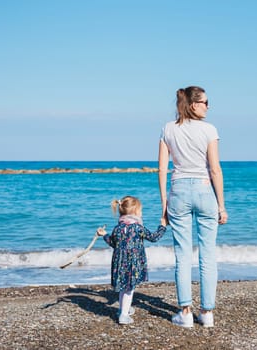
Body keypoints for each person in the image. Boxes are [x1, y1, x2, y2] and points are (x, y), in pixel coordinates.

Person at [158, 86, 228, 328]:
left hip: (178, 191)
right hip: (203, 190)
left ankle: (185, 312)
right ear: (193, 104)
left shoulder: (168, 128)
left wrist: (164, 204)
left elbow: (162, 170)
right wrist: (222, 206)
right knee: (208, 255)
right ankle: (206, 313)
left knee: (182, 255)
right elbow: (215, 170)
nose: (208, 106)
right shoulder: (209, 130)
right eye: (205, 102)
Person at [97, 195, 167, 325]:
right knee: (129, 289)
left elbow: (113, 243)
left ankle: (123, 309)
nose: (141, 213)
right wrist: (162, 226)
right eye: (140, 211)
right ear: (135, 212)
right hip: (132, 264)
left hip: (119, 263)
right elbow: (153, 237)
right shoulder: (137, 228)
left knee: (123, 287)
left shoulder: (117, 228)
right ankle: (123, 315)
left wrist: (104, 235)